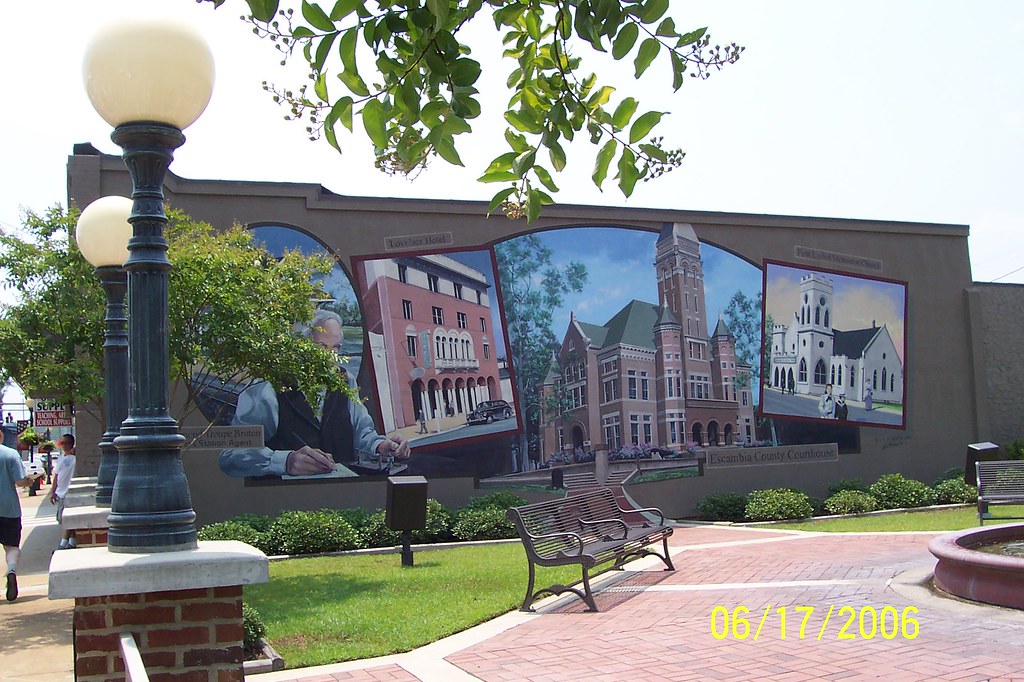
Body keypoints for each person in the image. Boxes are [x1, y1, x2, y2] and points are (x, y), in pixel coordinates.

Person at [219, 310, 410, 478]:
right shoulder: (267, 388)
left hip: (345, 493)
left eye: (336, 348)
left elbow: (363, 433)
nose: (330, 358)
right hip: (287, 500)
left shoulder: (346, 381)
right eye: (321, 348)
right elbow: (231, 456)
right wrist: (285, 462)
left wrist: (382, 446)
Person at [2, 442, 32, 601]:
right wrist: (29, 482)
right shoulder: (10, 454)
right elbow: (20, 481)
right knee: (11, 547)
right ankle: (12, 570)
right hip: (9, 509)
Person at [50, 434, 77, 550]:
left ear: (72, 444)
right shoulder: (60, 459)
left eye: (67, 443)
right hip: (60, 492)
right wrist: (53, 491)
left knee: (67, 518)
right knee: (62, 518)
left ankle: (63, 543)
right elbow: (56, 476)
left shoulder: (75, 458)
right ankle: (72, 541)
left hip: (70, 492)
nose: (64, 445)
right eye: (62, 443)